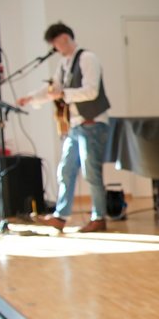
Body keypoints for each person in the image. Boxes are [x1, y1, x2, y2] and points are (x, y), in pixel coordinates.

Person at [18, 22, 111, 234]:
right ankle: (61, 216)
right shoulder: (64, 64)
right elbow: (53, 88)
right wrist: (32, 98)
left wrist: (63, 95)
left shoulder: (88, 59)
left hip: (93, 123)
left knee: (91, 173)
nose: (56, 48)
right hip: (75, 125)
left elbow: (91, 91)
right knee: (66, 170)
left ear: (64, 39)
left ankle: (99, 217)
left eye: (56, 44)